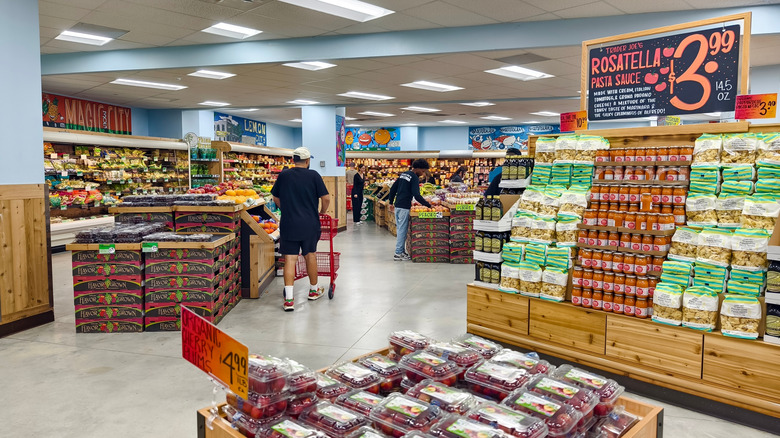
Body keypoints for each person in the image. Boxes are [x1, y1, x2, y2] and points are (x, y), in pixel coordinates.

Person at [271, 147, 331, 312]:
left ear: (293, 160)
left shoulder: (284, 175)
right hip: (309, 223)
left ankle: (289, 300)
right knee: (310, 255)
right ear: (307, 161)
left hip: (289, 223)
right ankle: (313, 290)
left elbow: (275, 197)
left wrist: (285, 208)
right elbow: (325, 198)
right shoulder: (314, 176)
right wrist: (322, 212)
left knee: (290, 259)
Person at [388, 159, 432, 261]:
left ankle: (401, 252)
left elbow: (393, 188)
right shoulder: (414, 177)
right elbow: (416, 195)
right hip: (404, 206)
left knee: (400, 229)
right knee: (402, 230)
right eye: (423, 171)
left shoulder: (404, 174)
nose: (423, 173)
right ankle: (398, 253)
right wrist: (428, 205)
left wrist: (390, 202)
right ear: (418, 169)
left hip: (398, 205)